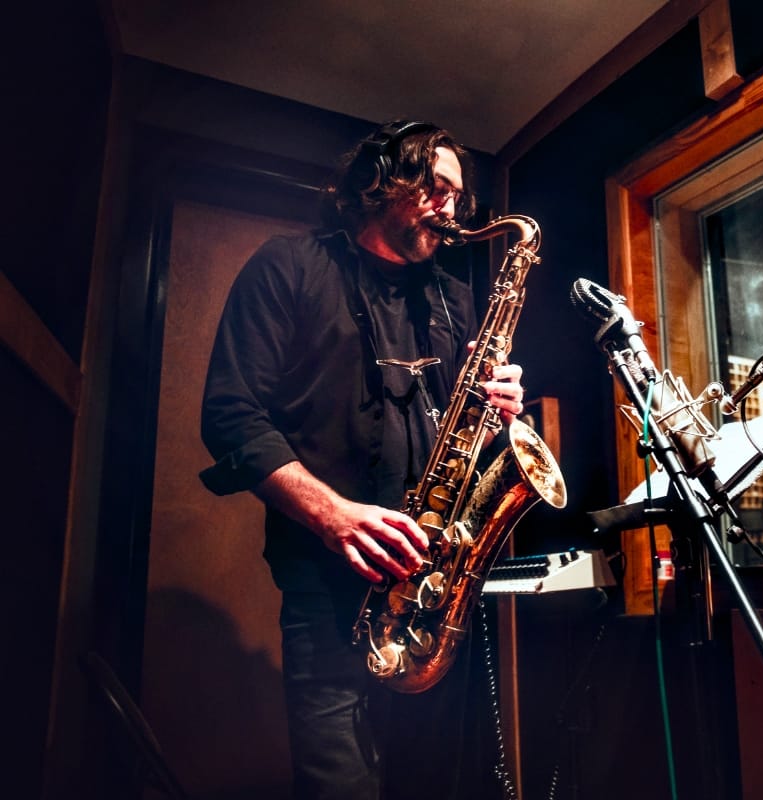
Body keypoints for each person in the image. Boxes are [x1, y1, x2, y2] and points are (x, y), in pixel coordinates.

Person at [198, 120, 526, 799]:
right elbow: (230, 415)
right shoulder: (288, 267)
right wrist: (334, 516)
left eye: (458, 195)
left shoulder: (453, 297)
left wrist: (500, 407)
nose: (451, 207)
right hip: (328, 587)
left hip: (435, 585)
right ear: (379, 180)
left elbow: (463, 432)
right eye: (434, 188)